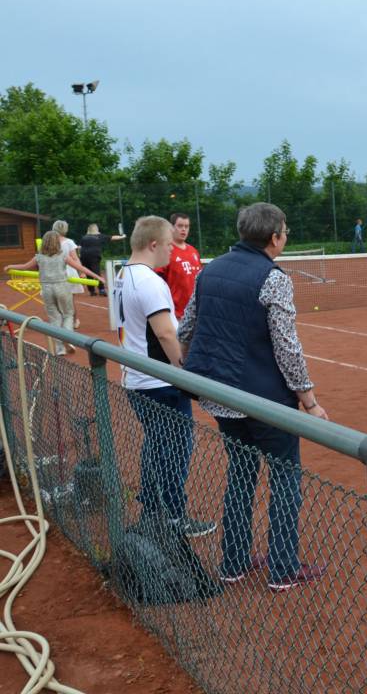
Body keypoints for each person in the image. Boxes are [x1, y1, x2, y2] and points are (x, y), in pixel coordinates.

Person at [179, 202, 328, 591]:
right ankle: (282, 568)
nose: (286, 237)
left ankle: (235, 562)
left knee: (241, 476)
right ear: (274, 237)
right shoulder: (274, 278)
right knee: (284, 480)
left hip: (219, 396)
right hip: (265, 401)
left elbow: (186, 328)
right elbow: (287, 347)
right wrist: (309, 401)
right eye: (285, 231)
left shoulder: (209, 270)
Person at [112, 216, 212, 537]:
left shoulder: (121, 275)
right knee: (174, 451)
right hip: (159, 383)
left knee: (156, 448)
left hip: (137, 378)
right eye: (169, 244)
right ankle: (172, 516)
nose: (173, 250)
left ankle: (153, 511)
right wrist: (186, 376)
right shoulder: (151, 282)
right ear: (153, 244)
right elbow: (167, 335)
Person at [5, 230, 102, 354]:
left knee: (54, 317)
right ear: (57, 242)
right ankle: (68, 339)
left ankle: (60, 348)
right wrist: (97, 277)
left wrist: (10, 266)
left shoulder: (39, 256)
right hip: (61, 287)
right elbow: (80, 268)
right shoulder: (62, 255)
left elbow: (24, 266)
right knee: (68, 314)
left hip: (46, 289)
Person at [155, 213, 202, 319]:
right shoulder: (165, 250)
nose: (184, 229)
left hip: (195, 313)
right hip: (175, 313)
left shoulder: (193, 251)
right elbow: (157, 282)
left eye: (187, 226)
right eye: (180, 226)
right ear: (171, 227)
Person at [52, 220, 84, 324]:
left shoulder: (47, 241)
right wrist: (81, 272)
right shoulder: (69, 242)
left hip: (54, 272)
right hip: (69, 272)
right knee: (69, 300)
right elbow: (75, 258)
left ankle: (60, 320)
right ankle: (74, 321)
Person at [77, 223, 123, 296]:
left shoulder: (84, 237)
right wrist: (122, 237)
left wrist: (79, 255)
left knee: (88, 273)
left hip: (84, 256)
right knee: (96, 272)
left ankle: (92, 291)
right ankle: (101, 289)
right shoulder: (99, 236)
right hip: (94, 256)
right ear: (96, 229)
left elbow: (80, 247)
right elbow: (112, 237)